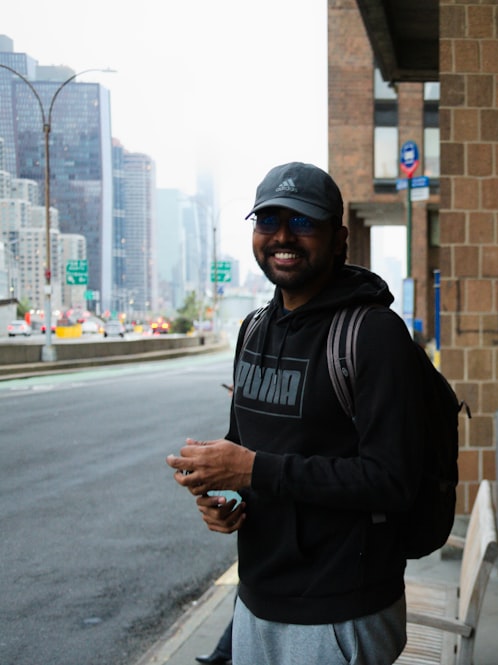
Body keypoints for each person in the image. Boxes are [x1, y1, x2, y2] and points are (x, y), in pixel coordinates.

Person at [167, 162, 425, 664]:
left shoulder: (373, 334)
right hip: (257, 599)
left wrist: (251, 468)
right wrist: (219, 489)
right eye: (269, 221)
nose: (283, 236)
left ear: (338, 238)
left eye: (304, 222)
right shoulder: (254, 329)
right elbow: (246, 450)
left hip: (339, 610)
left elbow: (393, 481)